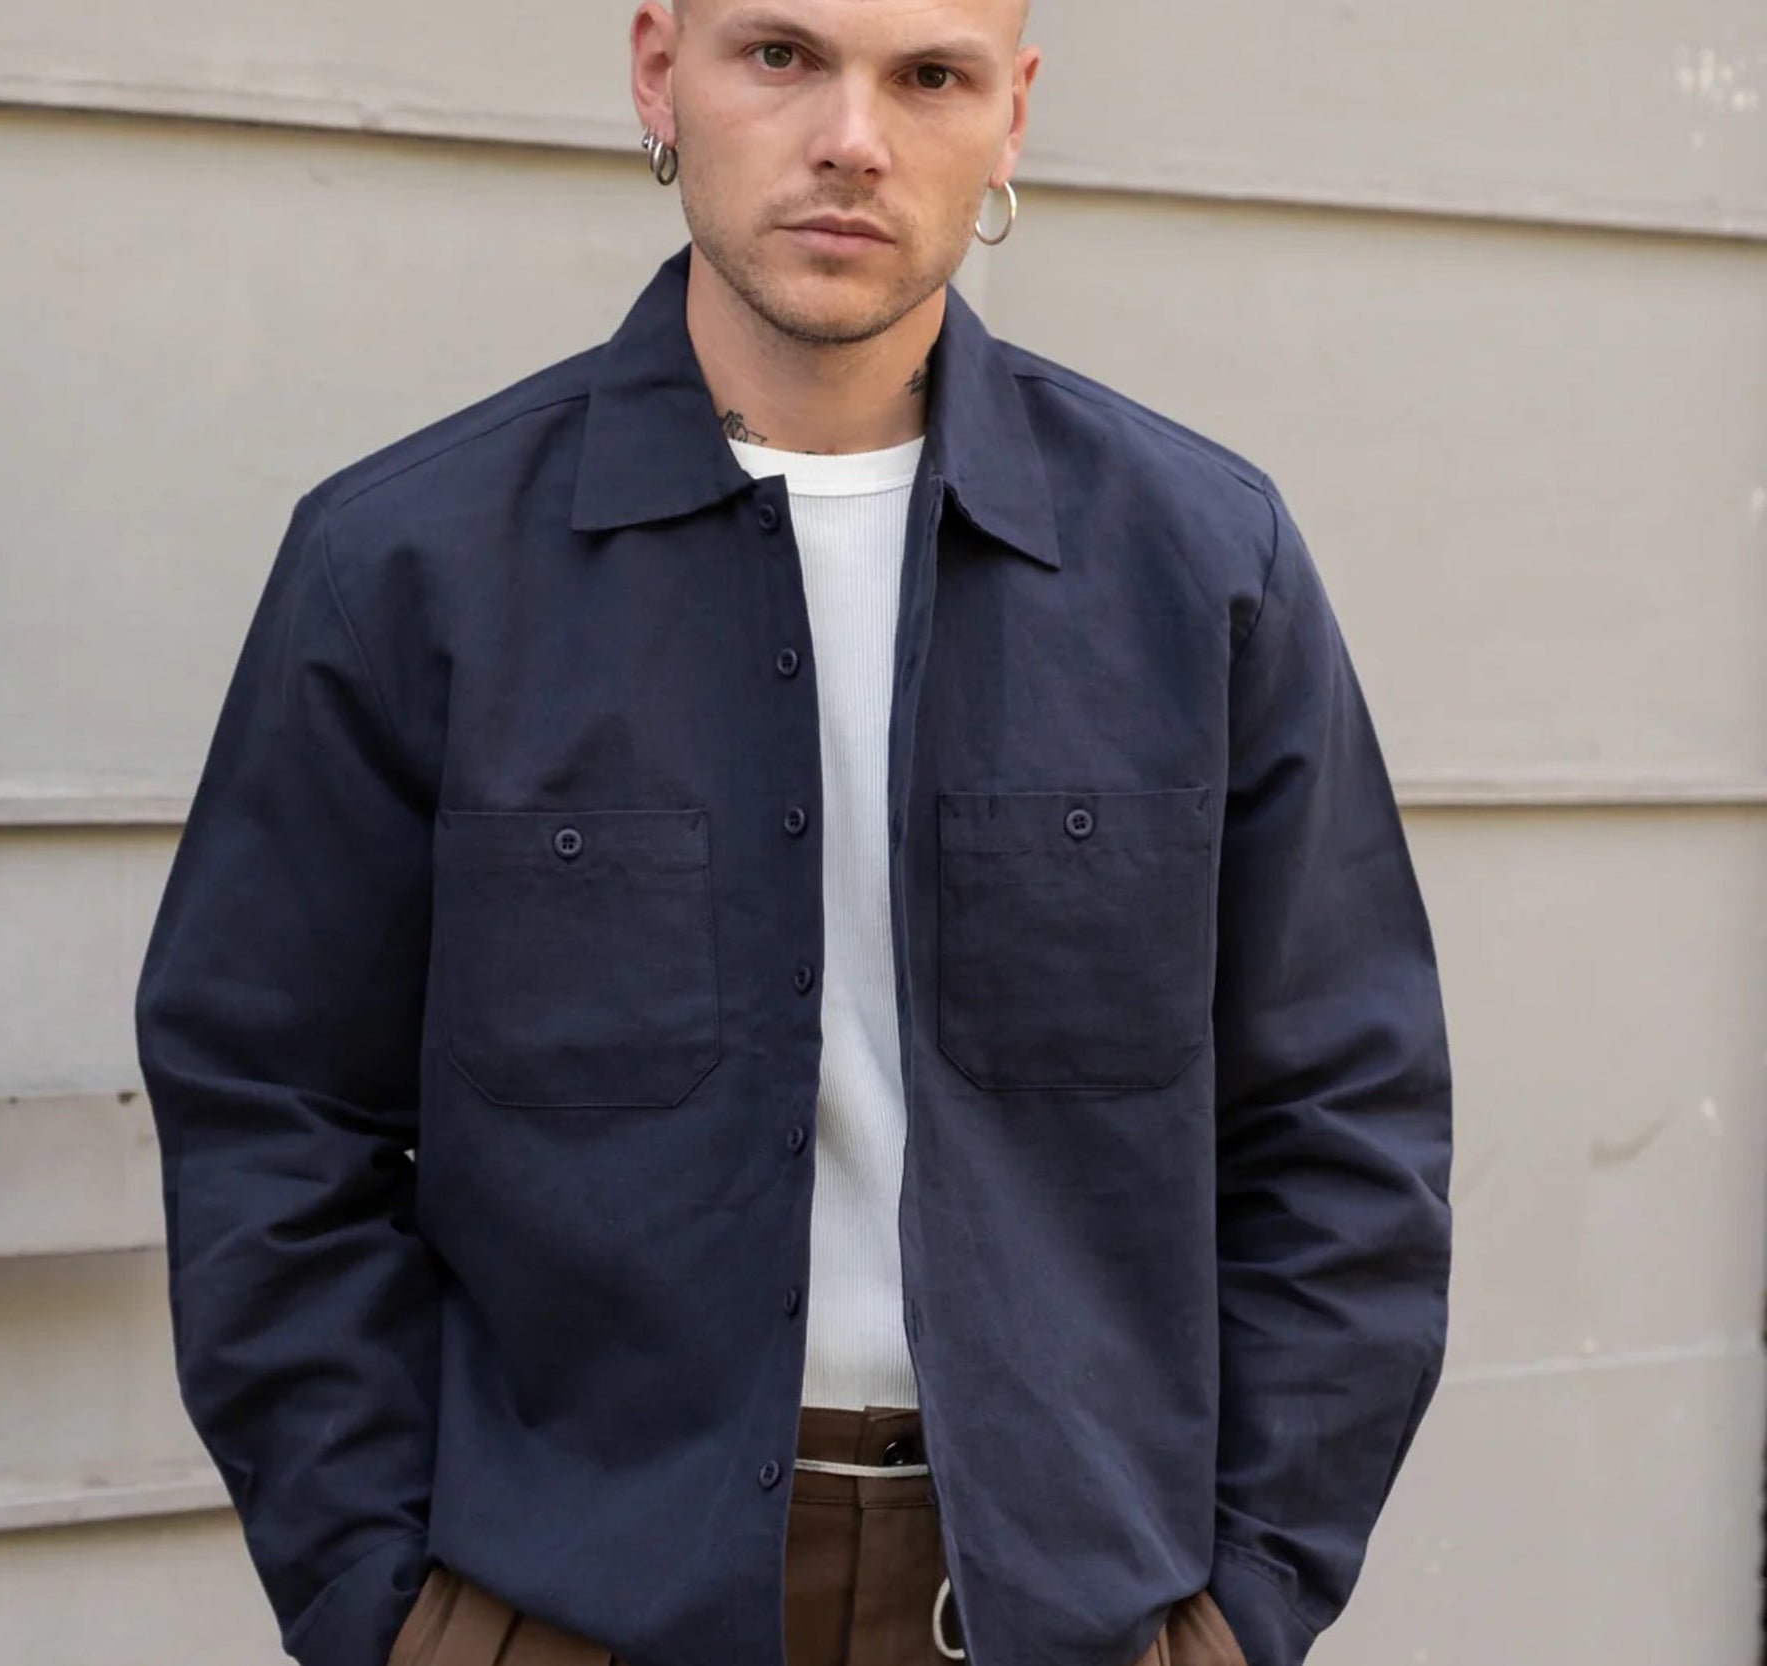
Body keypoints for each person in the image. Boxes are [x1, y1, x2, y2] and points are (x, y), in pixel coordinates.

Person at [133, 2, 1454, 1663]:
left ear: (1012, 117)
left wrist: (1243, 1604)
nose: (852, 140)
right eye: (781, 56)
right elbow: (270, 1116)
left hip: (1063, 1609)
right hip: (566, 1607)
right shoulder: (408, 567)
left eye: (930, 77)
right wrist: (387, 1608)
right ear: (656, 71)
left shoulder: (1202, 564)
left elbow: (1343, 1126)